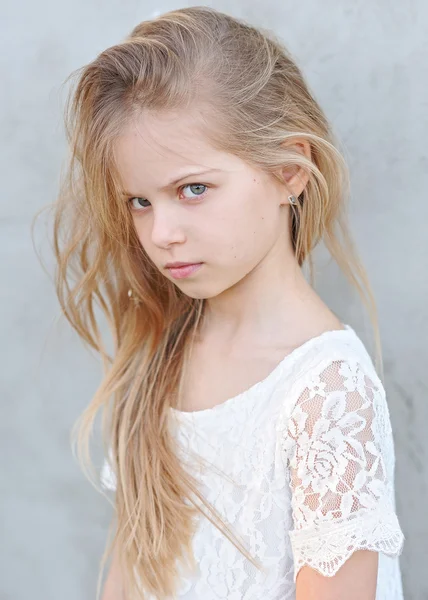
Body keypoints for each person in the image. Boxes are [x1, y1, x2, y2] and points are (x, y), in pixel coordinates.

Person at [49, 6, 405, 600]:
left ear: (290, 170)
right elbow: (129, 576)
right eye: (139, 201)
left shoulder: (327, 393)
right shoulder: (158, 356)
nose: (161, 232)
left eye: (193, 189)